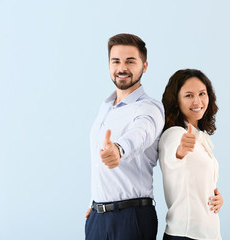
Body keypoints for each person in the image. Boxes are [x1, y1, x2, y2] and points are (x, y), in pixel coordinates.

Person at [85, 33, 165, 240]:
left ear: (144, 66)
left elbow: (141, 133)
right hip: (97, 217)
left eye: (130, 61)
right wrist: (96, 202)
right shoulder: (105, 108)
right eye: (116, 61)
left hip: (131, 218)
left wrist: (119, 149)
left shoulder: (149, 108)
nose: (122, 68)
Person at [159, 69, 224, 240]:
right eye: (188, 95)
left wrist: (215, 197)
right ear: (176, 101)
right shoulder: (174, 134)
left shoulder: (199, 137)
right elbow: (173, 158)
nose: (197, 101)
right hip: (185, 234)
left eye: (202, 93)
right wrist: (180, 152)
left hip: (208, 234)